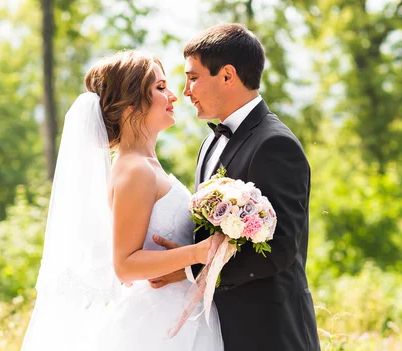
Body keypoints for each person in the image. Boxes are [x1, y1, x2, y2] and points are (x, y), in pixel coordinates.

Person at [20, 51, 224, 351]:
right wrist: (199, 253)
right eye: (160, 87)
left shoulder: (145, 164)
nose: (173, 96)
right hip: (156, 324)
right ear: (131, 105)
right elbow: (125, 265)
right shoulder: (134, 170)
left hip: (176, 313)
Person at [151, 23, 321, 351]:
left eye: (193, 77)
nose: (186, 91)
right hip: (216, 329)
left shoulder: (274, 144)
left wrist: (189, 271)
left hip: (269, 332)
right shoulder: (208, 143)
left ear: (227, 75)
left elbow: (279, 249)